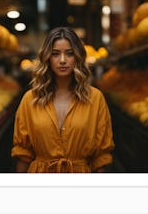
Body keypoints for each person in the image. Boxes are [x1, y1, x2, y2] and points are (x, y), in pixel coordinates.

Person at [11, 27, 115, 173]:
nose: (62, 60)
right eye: (55, 54)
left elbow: (101, 158)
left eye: (69, 53)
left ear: (77, 57)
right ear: (47, 57)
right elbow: (23, 153)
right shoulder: (30, 99)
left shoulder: (95, 98)